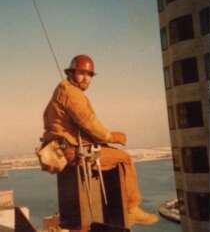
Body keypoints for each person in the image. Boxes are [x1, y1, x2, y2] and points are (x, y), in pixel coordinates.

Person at [41, 54, 159, 226]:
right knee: (124, 158)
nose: (86, 78)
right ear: (72, 72)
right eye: (81, 73)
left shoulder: (62, 90)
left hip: (63, 149)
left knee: (111, 152)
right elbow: (89, 123)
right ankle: (132, 208)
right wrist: (111, 137)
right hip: (73, 152)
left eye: (89, 75)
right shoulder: (71, 94)